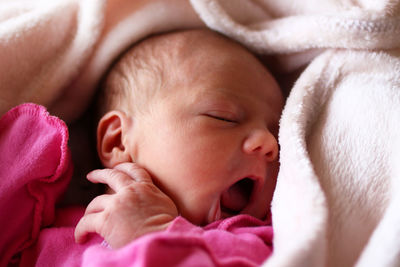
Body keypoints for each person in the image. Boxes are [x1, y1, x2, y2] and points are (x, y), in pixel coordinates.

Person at [74, 28, 284, 249]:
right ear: (118, 141)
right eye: (223, 118)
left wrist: (153, 239)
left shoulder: (260, 244)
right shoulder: (48, 226)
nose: (269, 142)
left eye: (278, 136)